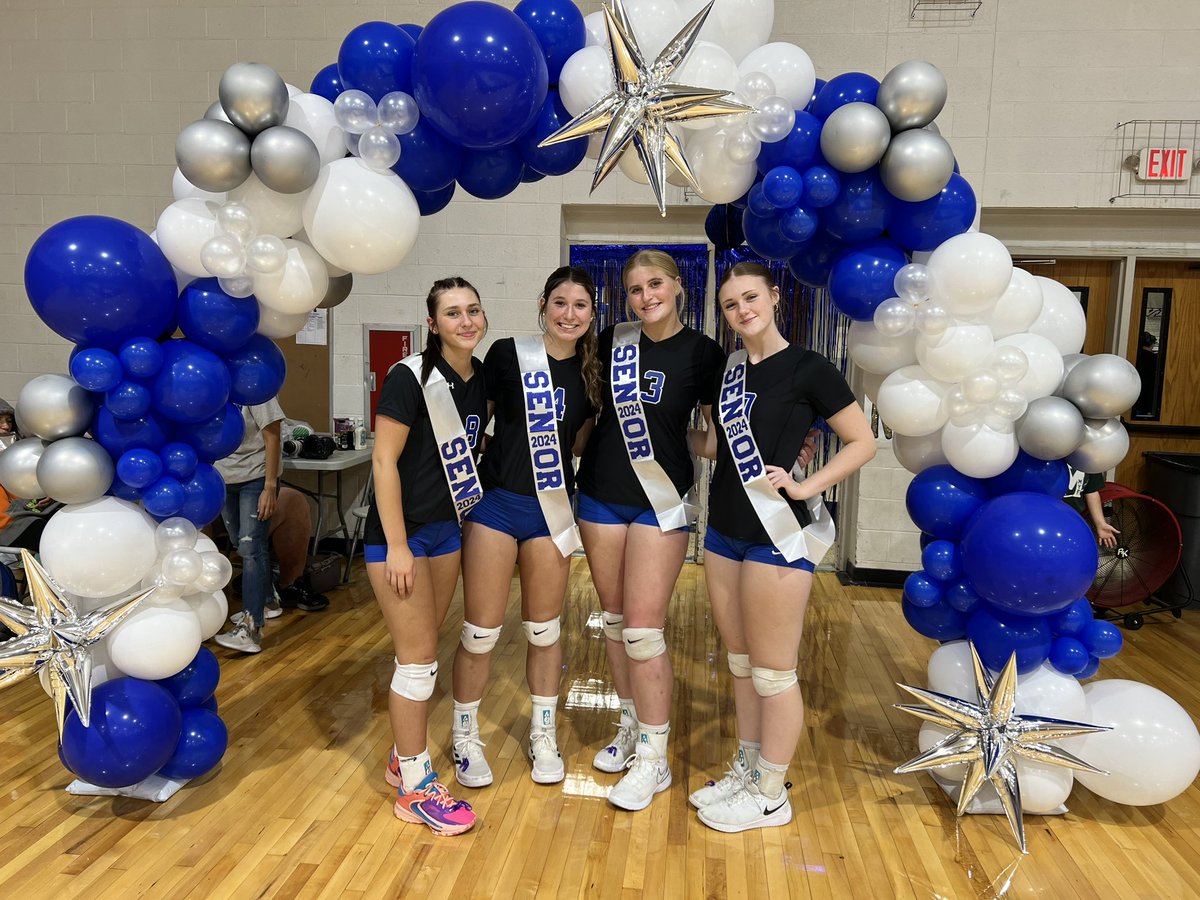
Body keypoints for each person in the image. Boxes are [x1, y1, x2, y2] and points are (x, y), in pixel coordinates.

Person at [689, 262, 875, 833]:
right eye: (729, 305)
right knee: (743, 667)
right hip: (723, 531)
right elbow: (720, 449)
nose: (742, 310)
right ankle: (747, 771)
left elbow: (861, 441)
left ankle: (772, 792)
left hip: (778, 533)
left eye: (750, 298)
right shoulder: (731, 372)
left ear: (773, 297)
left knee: (774, 672)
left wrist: (804, 485)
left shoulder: (810, 368)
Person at [575, 250, 725, 811]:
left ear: (678, 286)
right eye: (635, 289)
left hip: (659, 505)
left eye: (655, 284)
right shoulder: (613, 339)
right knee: (615, 625)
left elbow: (712, 437)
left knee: (644, 631)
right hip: (599, 498)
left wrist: (778, 451)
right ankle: (631, 726)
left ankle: (656, 759)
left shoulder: (705, 353)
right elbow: (588, 418)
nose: (646, 297)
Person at [450, 266, 600, 788]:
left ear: (591, 313)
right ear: (543, 304)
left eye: (580, 305)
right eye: (560, 303)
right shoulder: (509, 353)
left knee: (544, 630)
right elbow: (477, 422)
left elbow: (580, 445)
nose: (569, 314)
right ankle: (465, 733)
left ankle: (542, 732)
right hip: (496, 503)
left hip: (551, 510)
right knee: (480, 632)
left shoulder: (592, 373)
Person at [366, 277, 488, 836]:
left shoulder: (480, 377)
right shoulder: (408, 376)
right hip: (402, 537)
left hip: (447, 532)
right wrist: (396, 545)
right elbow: (384, 462)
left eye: (473, 310)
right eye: (453, 313)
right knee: (415, 661)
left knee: (426, 653)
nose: (466, 321)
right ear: (433, 324)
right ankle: (415, 788)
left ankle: (401, 755)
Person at [212, 398, 285, 654]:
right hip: (223, 476)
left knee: (251, 547)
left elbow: (273, 436)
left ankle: (251, 627)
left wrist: (270, 486)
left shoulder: (255, 389)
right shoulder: (211, 384)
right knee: (239, 543)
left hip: (255, 478)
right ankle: (267, 600)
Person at [1064, 465, 1119, 550]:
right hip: (1045, 519)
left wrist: (1100, 524)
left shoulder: (1087, 458)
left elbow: (1091, 491)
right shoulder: (1042, 455)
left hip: (1074, 520)